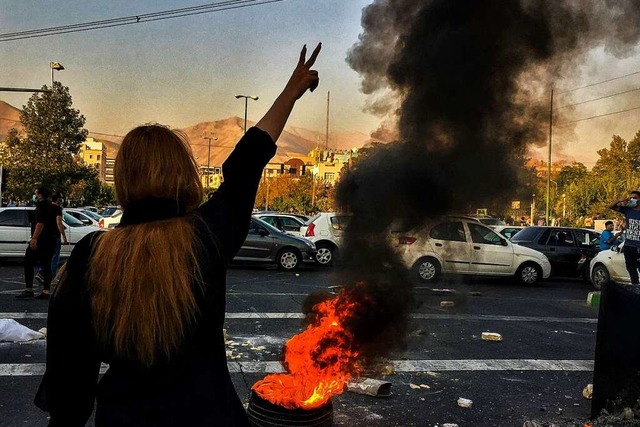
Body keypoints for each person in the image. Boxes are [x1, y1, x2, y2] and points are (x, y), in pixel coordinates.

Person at [34, 43, 321, 427]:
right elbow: (248, 161)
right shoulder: (206, 236)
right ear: (182, 172)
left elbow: (70, 381)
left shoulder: (91, 254)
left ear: (123, 179)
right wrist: (291, 92)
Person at [15, 187, 58, 299]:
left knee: (28, 261)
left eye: (36, 193)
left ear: (40, 195)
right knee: (46, 265)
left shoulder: (41, 206)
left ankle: (29, 289)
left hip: (41, 240)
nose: (35, 195)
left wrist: (34, 238)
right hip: (50, 240)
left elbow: (40, 223)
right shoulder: (53, 206)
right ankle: (46, 291)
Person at [35, 193, 68, 285]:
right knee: (54, 257)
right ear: (57, 199)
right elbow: (59, 222)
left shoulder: (47, 207)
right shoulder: (57, 209)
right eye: (60, 199)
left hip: (45, 235)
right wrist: (64, 236)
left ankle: (41, 272)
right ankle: (51, 278)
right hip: (54, 236)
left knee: (46, 256)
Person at [610, 190, 640, 284]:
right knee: (631, 269)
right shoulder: (627, 210)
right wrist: (619, 200)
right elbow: (611, 206)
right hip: (629, 246)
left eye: (634, 198)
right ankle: (635, 287)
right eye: (631, 197)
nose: (632, 199)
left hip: (639, 246)